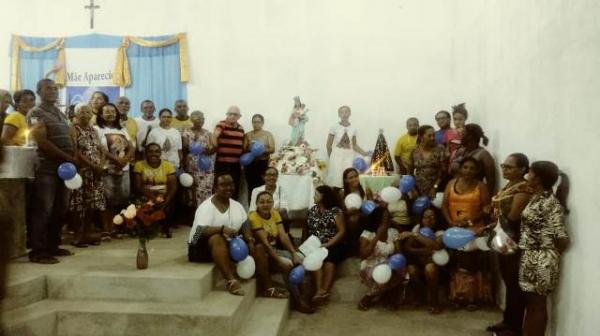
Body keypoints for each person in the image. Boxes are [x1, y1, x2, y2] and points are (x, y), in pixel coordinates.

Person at [26, 79, 75, 264]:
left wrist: (73, 156)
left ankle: (53, 245)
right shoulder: (35, 112)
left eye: (55, 88)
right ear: (39, 92)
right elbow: (42, 141)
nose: (53, 91)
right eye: (48, 88)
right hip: (46, 168)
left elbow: (70, 136)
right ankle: (38, 251)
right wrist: (68, 157)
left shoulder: (60, 113)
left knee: (60, 208)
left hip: (65, 169)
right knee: (43, 210)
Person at [519, 161, 569, 336]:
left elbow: (562, 238)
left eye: (530, 173)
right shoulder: (536, 198)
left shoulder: (550, 203)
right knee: (530, 303)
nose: (527, 176)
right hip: (529, 256)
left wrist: (546, 254)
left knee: (537, 304)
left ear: (538, 178)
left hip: (542, 259)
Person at [487, 153, 532, 336]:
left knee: (515, 285)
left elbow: (513, 217)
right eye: (503, 166)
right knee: (507, 280)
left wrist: (498, 220)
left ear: (522, 169)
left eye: (509, 167)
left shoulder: (523, 188)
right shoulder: (510, 185)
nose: (504, 169)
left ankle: (514, 327)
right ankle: (507, 321)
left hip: (514, 239)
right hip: (502, 236)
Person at [188, 173, 254, 296]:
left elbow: (245, 224)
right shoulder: (206, 207)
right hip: (199, 247)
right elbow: (197, 233)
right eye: (223, 185)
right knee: (217, 237)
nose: (228, 188)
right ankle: (231, 280)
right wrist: (222, 229)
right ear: (215, 188)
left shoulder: (237, 205)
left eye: (231, 184)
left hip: (227, 246)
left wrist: (249, 240)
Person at [250, 191, 314, 313]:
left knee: (302, 260)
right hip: (262, 255)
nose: (265, 204)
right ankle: (298, 301)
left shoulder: (275, 214)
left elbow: (283, 236)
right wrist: (280, 261)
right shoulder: (254, 217)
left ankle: (306, 296)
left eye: (269, 201)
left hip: (274, 251)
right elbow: (266, 244)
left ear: (273, 203)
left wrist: (294, 253)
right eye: (262, 202)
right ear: (256, 204)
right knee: (288, 265)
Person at [442, 157, 493, 310]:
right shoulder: (451, 184)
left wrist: (469, 222)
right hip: (454, 230)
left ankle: (472, 298)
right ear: (460, 168)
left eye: (472, 168)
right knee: (456, 264)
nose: (468, 171)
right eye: (465, 167)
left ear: (477, 170)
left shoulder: (481, 186)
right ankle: (456, 296)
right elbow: (444, 205)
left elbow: (486, 209)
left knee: (471, 265)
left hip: (474, 231)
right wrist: (451, 223)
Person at [95, 103, 135, 239]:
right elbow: (100, 148)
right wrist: (115, 159)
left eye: (113, 111)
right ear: (100, 114)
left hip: (123, 168)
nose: (110, 114)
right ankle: (106, 229)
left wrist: (125, 160)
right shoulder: (97, 129)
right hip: (107, 168)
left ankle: (116, 227)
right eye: (106, 112)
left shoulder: (122, 129)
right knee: (107, 199)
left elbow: (131, 146)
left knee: (121, 198)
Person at [69, 103, 106, 247]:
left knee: (92, 203)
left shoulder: (94, 129)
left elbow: (101, 149)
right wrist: (93, 166)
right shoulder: (73, 129)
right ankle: (78, 235)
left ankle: (86, 233)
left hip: (96, 172)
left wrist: (101, 165)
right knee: (79, 204)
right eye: (82, 112)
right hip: (82, 171)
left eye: (88, 112)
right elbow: (75, 151)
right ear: (76, 114)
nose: (85, 115)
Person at [304, 185, 346, 305]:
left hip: (335, 243)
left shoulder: (335, 211)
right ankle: (319, 290)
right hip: (316, 244)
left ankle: (324, 291)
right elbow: (307, 230)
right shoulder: (312, 210)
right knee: (314, 258)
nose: (314, 196)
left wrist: (328, 244)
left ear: (323, 196)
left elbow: (342, 231)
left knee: (329, 259)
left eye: (316, 194)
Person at [357, 206, 403, 311]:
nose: (387, 219)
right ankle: (370, 297)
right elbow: (363, 255)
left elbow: (399, 253)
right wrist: (377, 236)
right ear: (378, 218)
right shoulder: (368, 233)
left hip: (388, 264)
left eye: (388, 217)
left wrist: (397, 264)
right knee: (382, 275)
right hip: (370, 265)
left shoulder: (393, 232)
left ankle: (377, 296)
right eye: (384, 217)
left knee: (399, 272)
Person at [401, 208, 443, 314]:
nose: (428, 220)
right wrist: (425, 251)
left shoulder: (441, 231)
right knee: (411, 269)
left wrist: (415, 235)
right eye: (425, 217)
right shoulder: (417, 228)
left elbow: (436, 246)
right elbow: (407, 248)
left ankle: (434, 302)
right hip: (419, 262)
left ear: (437, 219)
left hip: (438, 266)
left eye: (432, 217)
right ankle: (419, 296)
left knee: (430, 269)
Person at [133, 143, 178, 237]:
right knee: (143, 204)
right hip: (146, 195)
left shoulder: (168, 165)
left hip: (163, 196)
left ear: (160, 153)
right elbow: (138, 186)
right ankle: (146, 228)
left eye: (157, 151)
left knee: (169, 206)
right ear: (146, 153)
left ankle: (165, 228)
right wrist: (153, 198)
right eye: (150, 151)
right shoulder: (139, 165)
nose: (154, 154)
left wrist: (166, 201)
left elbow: (173, 187)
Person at [325, 105, 368, 188]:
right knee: (336, 176)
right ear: (339, 114)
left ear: (350, 114)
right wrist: (331, 157)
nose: (344, 114)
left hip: (348, 156)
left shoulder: (353, 128)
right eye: (342, 112)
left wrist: (364, 153)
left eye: (346, 112)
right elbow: (328, 145)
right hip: (336, 156)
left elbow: (354, 145)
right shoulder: (334, 127)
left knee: (348, 175)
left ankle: (347, 195)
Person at [449, 123, 497, 194]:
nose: (460, 135)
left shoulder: (484, 155)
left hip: (473, 193)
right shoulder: (461, 151)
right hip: (455, 191)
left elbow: (491, 180)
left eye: (463, 133)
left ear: (471, 136)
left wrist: (487, 199)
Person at [182, 111, 215, 208]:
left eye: (202, 118)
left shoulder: (208, 133)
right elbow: (185, 148)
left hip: (206, 166)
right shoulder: (186, 132)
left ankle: (206, 211)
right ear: (192, 120)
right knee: (193, 190)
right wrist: (195, 145)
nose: (201, 120)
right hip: (192, 165)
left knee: (207, 189)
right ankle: (195, 214)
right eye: (198, 118)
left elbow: (213, 148)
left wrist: (209, 150)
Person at [212, 106, 245, 200]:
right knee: (220, 187)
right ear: (227, 115)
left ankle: (233, 210)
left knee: (234, 188)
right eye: (230, 114)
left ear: (239, 116)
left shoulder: (241, 128)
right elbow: (215, 136)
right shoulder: (221, 124)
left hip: (236, 165)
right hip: (223, 164)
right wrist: (214, 146)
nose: (232, 116)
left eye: (235, 114)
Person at [407, 125, 448, 198]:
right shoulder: (414, 150)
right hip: (418, 188)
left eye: (433, 135)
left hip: (436, 187)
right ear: (421, 137)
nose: (432, 138)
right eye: (429, 136)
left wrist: (435, 187)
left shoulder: (440, 149)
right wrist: (413, 189)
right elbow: (410, 172)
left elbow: (443, 172)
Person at [339, 167, 372, 254]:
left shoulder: (366, 190)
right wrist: (348, 212)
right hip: (349, 218)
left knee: (354, 219)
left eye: (356, 176)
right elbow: (341, 212)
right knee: (352, 219)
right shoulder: (343, 193)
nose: (354, 179)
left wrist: (361, 211)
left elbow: (372, 208)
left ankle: (359, 247)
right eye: (351, 178)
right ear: (346, 180)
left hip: (365, 217)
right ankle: (353, 248)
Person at [244, 114, 275, 202]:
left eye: (258, 122)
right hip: (250, 164)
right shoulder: (248, 135)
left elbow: (272, 149)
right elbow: (243, 149)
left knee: (262, 187)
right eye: (254, 122)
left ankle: (262, 209)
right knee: (251, 188)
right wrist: (250, 148)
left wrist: (260, 150)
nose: (255, 124)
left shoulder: (268, 134)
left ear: (262, 123)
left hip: (263, 164)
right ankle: (251, 210)